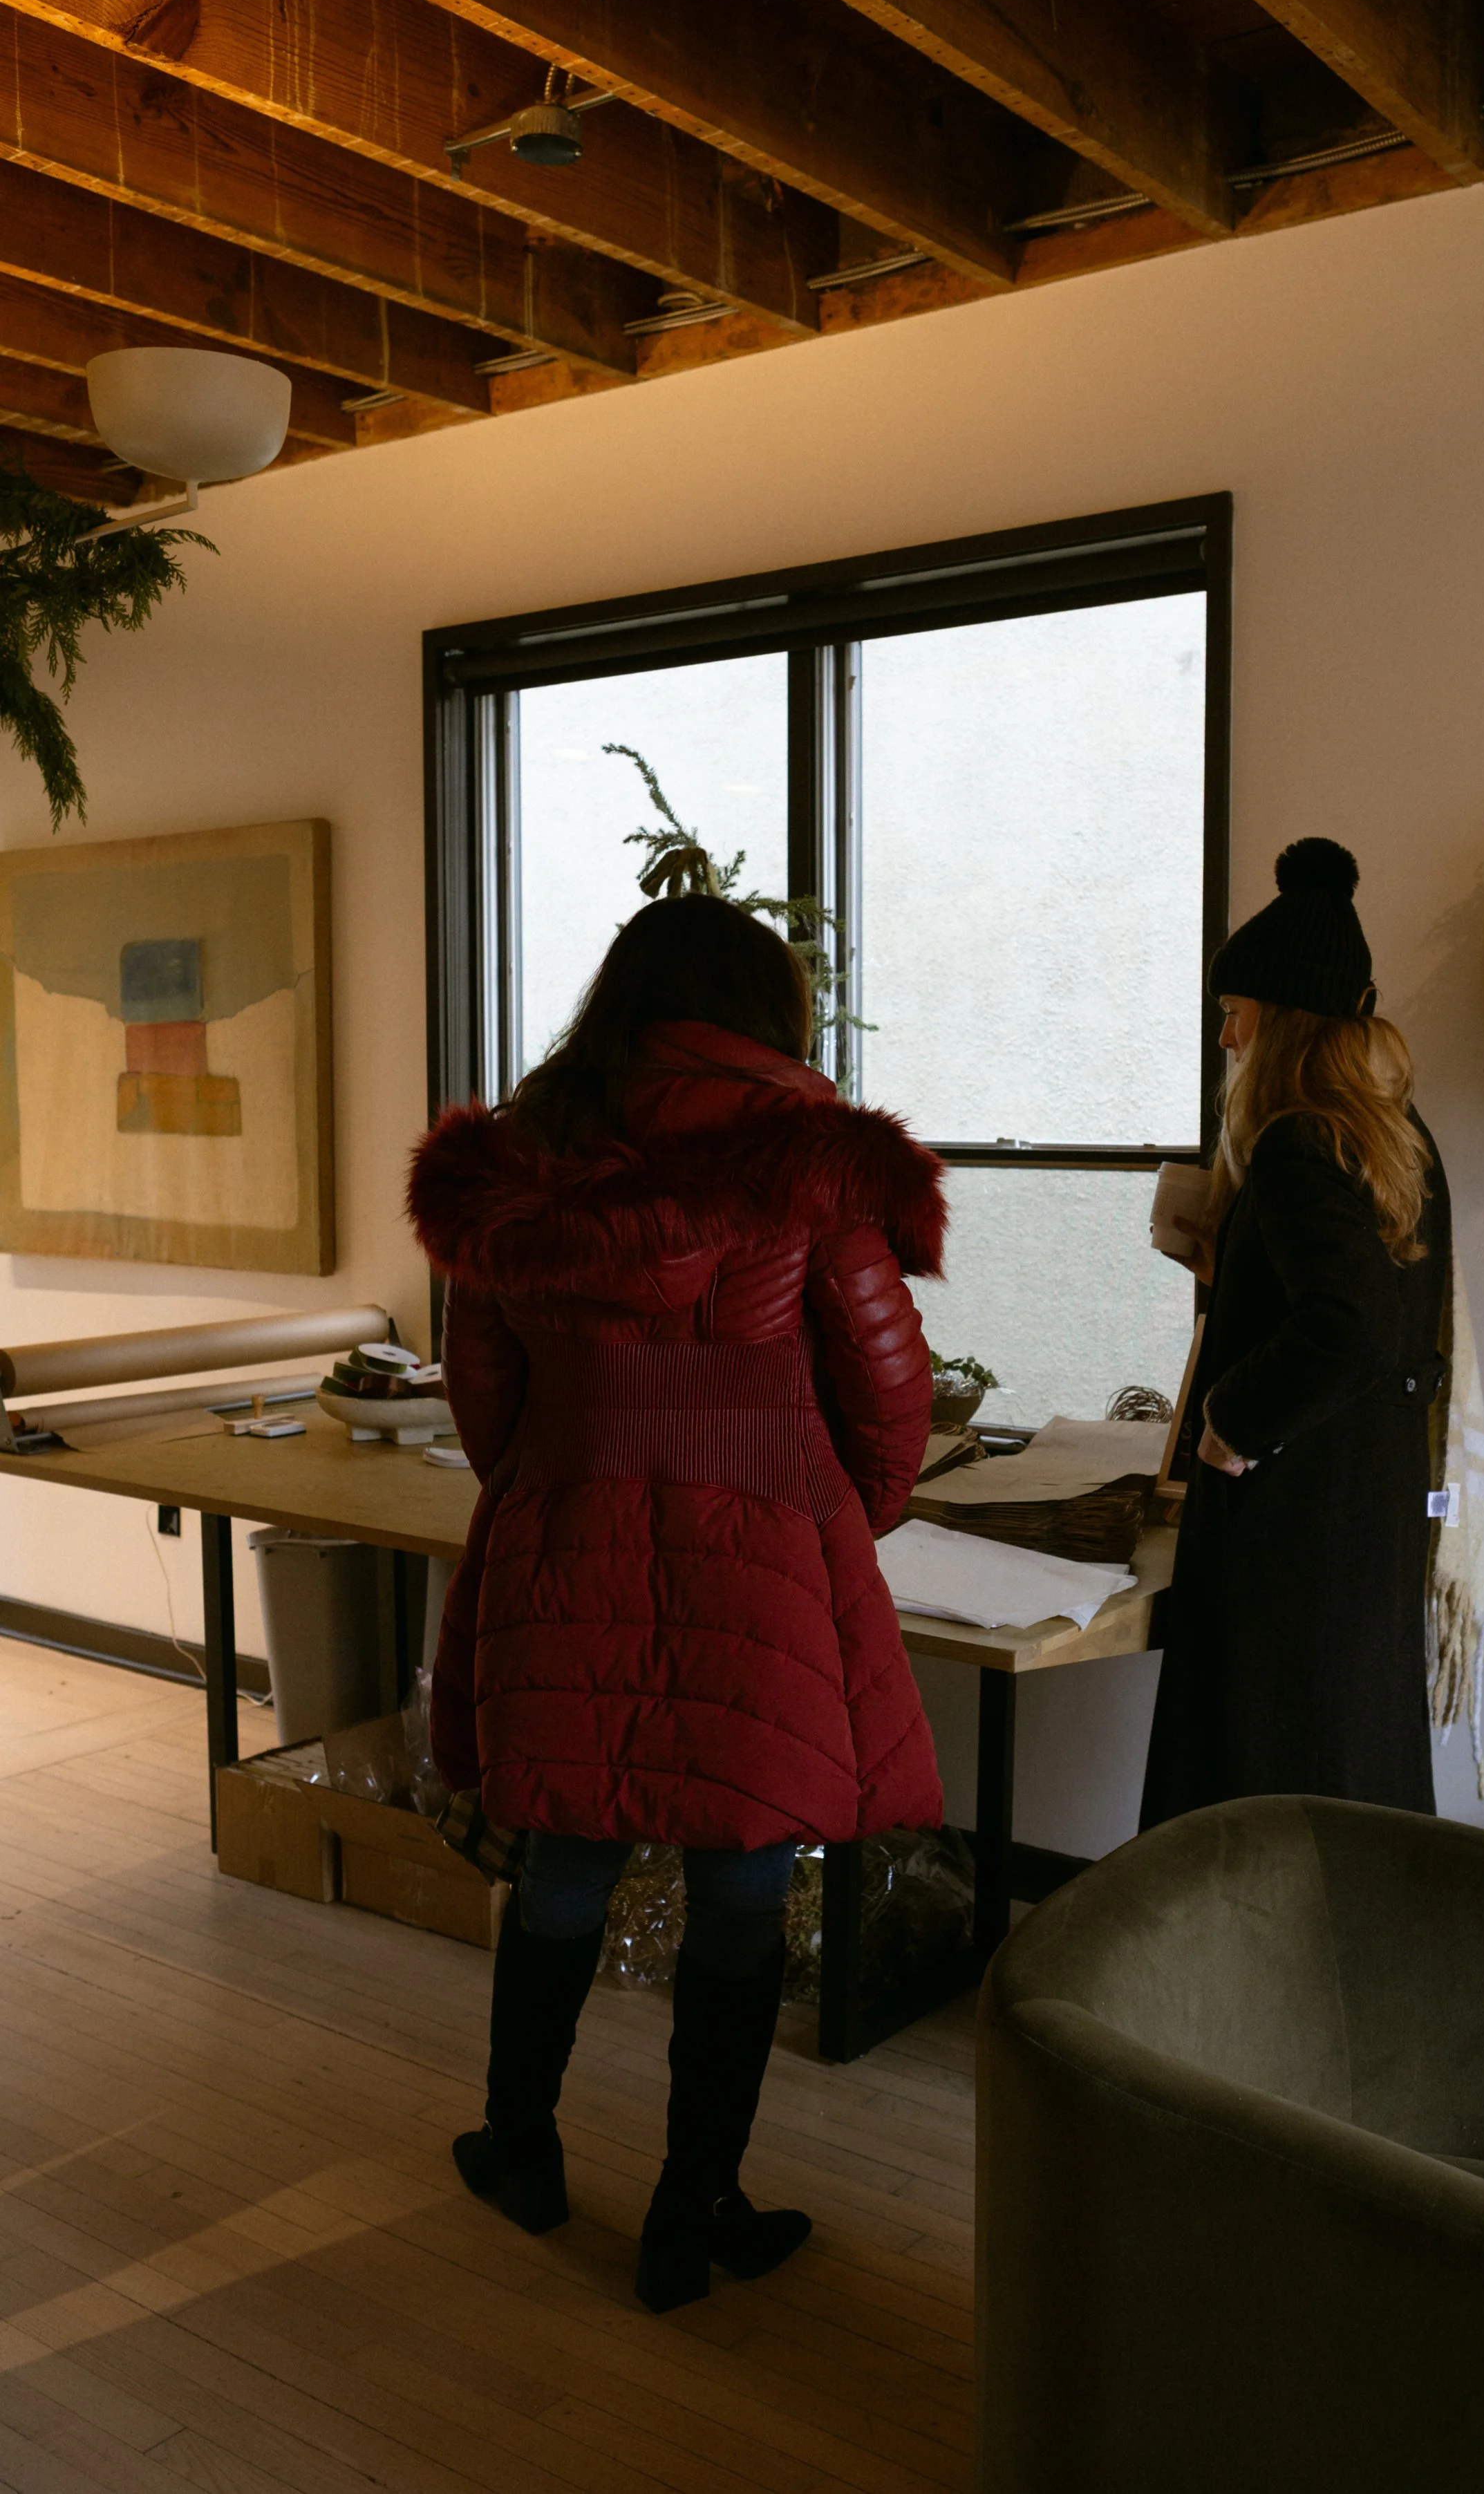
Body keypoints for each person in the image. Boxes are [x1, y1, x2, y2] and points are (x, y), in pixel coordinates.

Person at [408, 891, 944, 2313]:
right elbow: (886, 1378)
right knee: (742, 1874)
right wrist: (847, 1509)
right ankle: (688, 2214)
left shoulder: (522, 1155)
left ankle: (520, 2151)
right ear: (760, 1013)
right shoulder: (809, 1161)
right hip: (761, 1543)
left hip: (563, 1525)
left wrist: (550, 1486)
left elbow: (481, 1390)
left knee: (565, 1854)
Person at [1140, 836, 1451, 1825]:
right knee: (1348, 1802)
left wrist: (1231, 1414)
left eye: (1234, 1016)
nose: (1225, 1038)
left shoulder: (1293, 1138)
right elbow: (1383, 1314)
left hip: (1291, 1537)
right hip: (1369, 1518)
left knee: (1252, 1811)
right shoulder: (1397, 1136)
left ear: (1276, 1020)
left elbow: (1351, 1324)